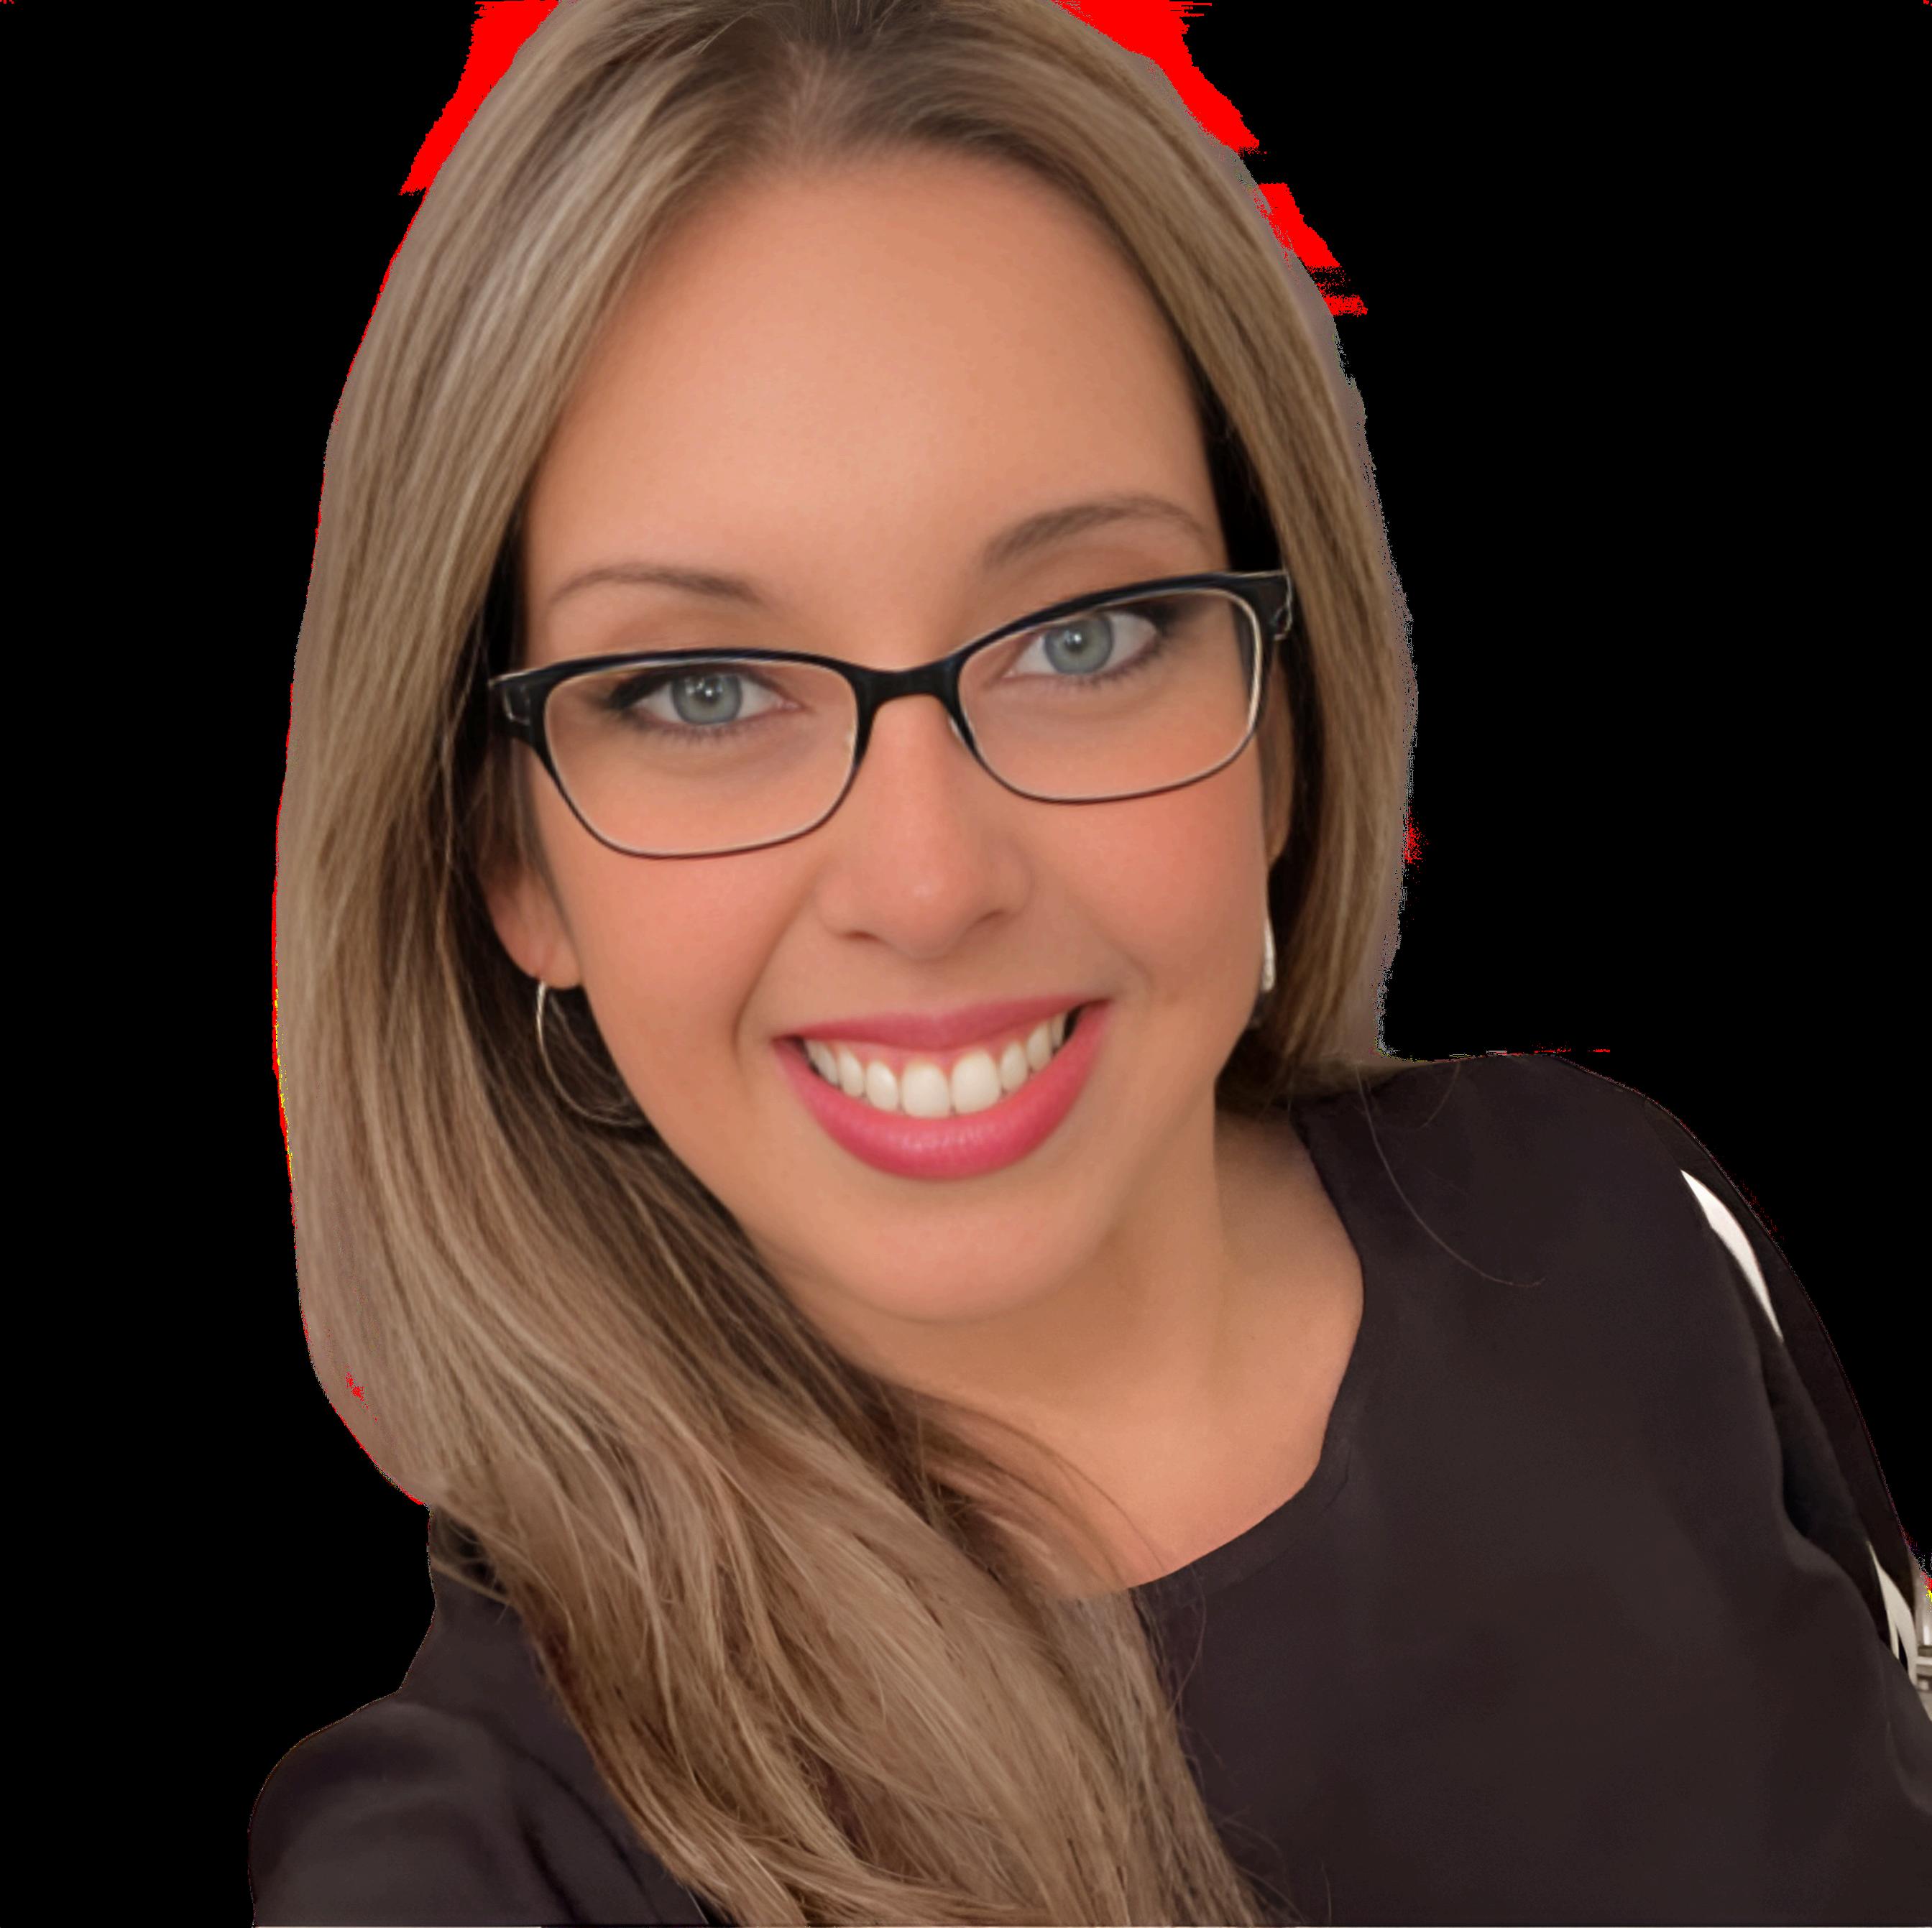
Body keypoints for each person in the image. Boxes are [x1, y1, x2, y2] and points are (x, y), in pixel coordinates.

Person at [252, 2, 1932, 1923]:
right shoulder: (478, 1860)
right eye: (700, 689)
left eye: (1086, 634)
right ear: (507, 853)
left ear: (1277, 711)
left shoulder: (1613, 1212)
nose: (927, 879)